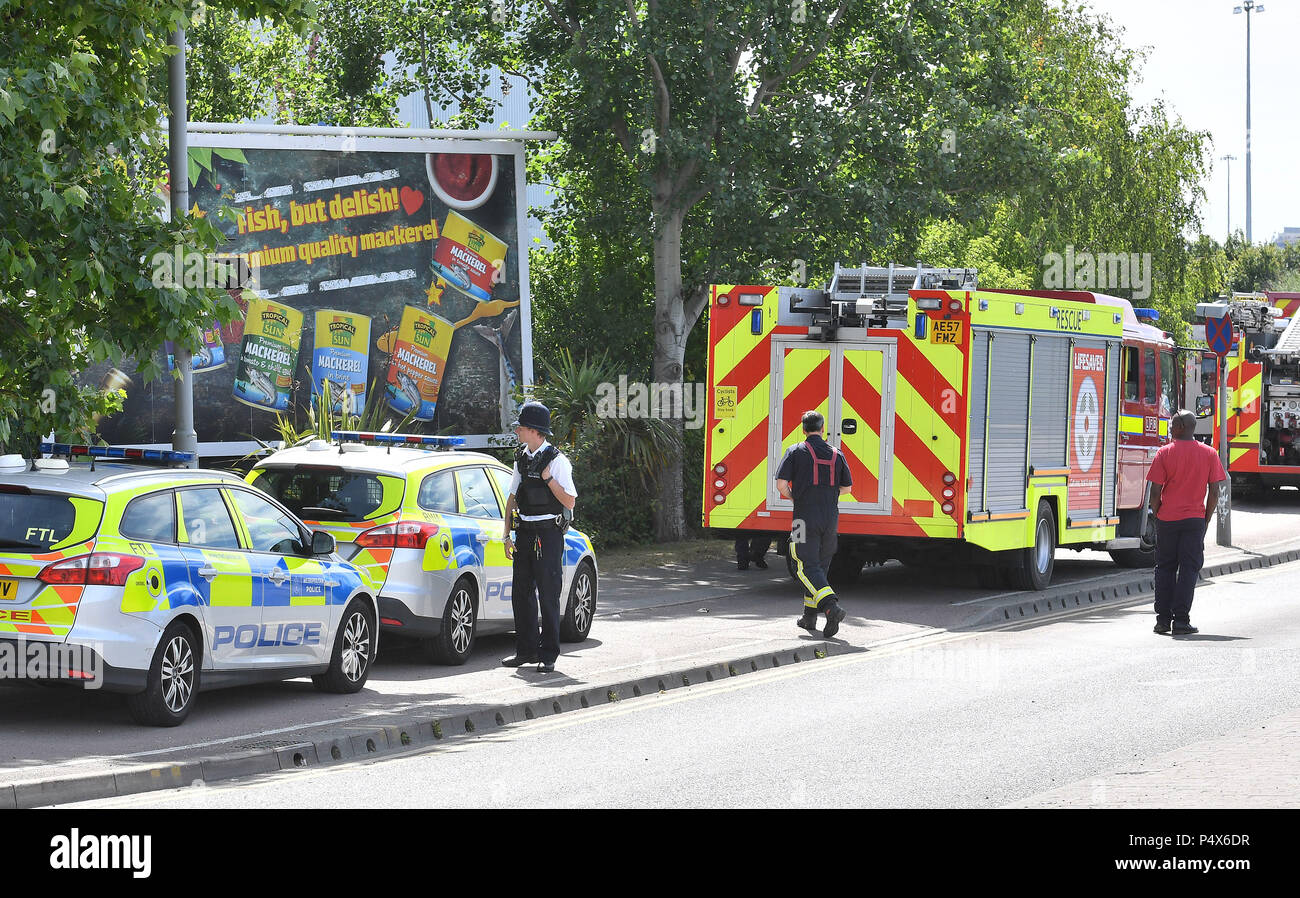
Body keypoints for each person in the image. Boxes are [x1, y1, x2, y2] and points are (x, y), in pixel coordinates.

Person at [501, 401, 577, 673]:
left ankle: (549, 655)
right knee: (521, 594)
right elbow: (512, 498)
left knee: (548, 595)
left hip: (548, 533)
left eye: (520, 427)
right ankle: (526, 651)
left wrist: (548, 479)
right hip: (524, 533)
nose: (517, 431)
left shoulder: (557, 462)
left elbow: (569, 501)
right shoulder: (520, 457)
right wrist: (506, 535)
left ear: (534, 430)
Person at [1147, 409, 1226, 636]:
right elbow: (1214, 491)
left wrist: (1158, 512)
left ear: (1182, 427)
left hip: (1167, 520)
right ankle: (1181, 620)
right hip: (1194, 520)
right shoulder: (1209, 454)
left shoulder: (1164, 453)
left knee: (1164, 568)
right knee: (1189, 569)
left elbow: (1155, 491)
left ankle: (1162, 621)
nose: (1170, 428)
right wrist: (1206, 518)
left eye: (1172, 424)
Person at [775, 410, 852, 638]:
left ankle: (831, 607)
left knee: (802, 565)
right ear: (822, 429)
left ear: (803, 429)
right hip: (830, 518)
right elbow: (847, 488)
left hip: (802, 519)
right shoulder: (838, 454)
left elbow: (781, 484)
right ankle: (809, 617)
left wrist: (795, 496)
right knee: (819, 567)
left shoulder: (795, 451)